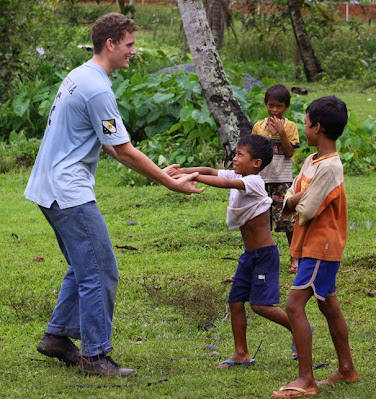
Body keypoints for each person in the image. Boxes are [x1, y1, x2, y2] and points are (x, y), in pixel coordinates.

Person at [24, 12, 204, 378]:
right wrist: (168, 182)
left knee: (82, 265)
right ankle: (95, 356)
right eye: (129, 44)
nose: (133, 51)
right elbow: (122, 149)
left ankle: (58, 337)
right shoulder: (97, 88)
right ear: (111, 44)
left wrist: (156, 169)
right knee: (100, 272)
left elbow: (110, 144)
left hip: (48, 187)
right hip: (68, 193)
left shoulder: (81, 75)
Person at [165, 135, 294, 368]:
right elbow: (211, 171)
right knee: (236, 303)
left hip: (265, 255)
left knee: (260, 306)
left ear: (255, 163)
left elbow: (224, 184)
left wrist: (190, 177)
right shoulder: (239, 174)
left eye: (239, 155)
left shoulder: (254, 181)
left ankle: (300, 328)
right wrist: (182, 170)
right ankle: (241, 353)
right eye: (235, 154)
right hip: (249, 256)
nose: (234, 159)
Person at [272, 96, 358, 398]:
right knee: (328, 305)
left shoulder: (331, 167)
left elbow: (305, 207)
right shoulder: (311, 161)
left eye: (306, 123)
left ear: (317, 127)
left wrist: (294, 199)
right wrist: (295, 198)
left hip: (321, 247)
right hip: (310, 245)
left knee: (294, 306)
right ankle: (347, 368)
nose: (303, 128)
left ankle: (306, 379)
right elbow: (294, 194)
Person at [252, 84, 300, 273]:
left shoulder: (290, 127)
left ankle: (294, 258)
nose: (274, 110)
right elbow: (254, 152)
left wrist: (280, 132)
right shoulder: (258, 127)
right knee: (262, 220)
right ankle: (263, 258)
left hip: (282, 179)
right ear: (266, 105)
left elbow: (289, 153)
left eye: (279, 106)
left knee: (288, 220)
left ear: (286, 107)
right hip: (261, 180)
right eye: (271, 105)